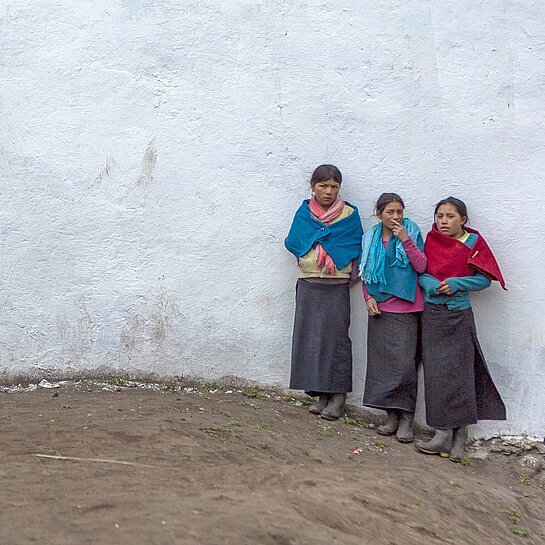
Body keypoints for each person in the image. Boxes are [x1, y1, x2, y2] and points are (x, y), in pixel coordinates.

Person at [416, 197, 506, 462]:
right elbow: (420, 272)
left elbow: (483, 280)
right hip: (433, 316)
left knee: (460, 374)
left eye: (450, 216)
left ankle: (460, 436)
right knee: (436, 374)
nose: (443, 221)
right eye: (440, 216)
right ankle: (442, 434)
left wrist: (457, 283)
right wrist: (431, 284)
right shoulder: (430, 241)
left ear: (463, 220)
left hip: (458, 316)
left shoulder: (473, 243)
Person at [285, 165, 363, 420]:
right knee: (311, 338)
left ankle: (338, 397)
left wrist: (325, 241)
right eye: (323, 186)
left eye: (334, 187)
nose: (328, 192)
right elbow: (294, 241)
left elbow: (353, 245)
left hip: (335, 285)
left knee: (336, 340)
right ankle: (320, 394)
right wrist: (317, 242)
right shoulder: (304, 212)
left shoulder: (350, 214)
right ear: (313, 187)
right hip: (309, 282)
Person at [359, 193, 426, 443]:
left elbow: (421, 266)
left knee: (405, 366)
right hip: (381, 309)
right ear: (379, 214)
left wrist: (406, 240)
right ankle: (391, 418)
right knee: (384, 366)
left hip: (407, 309)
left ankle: (406, 420)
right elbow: (365, 271)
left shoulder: (411, 232)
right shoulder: (370, 237)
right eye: (390, 212)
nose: (396, 217)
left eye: (400, 211)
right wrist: (368, 298)